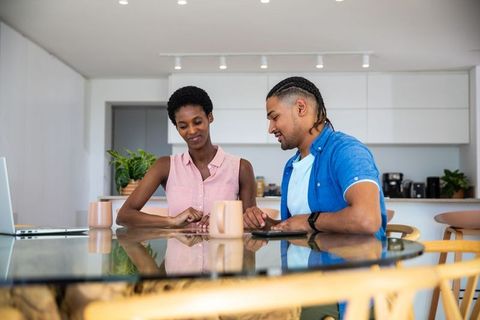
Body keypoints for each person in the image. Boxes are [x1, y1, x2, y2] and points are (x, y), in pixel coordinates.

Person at [244, 76, 386, 238]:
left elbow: (366, 219)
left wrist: (309, 221)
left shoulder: (346, 151)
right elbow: (297, 226)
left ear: (300, 108)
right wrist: (268, 225)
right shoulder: (292, 165)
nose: (270, 129)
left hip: (347, 263)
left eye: (275, 117)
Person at [117, 86, 257, 228]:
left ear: (210, 117)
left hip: (223, 250)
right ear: (177, 128)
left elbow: (251, 224)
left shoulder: (241, 167)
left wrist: (222, 220)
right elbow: (124, 216)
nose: (192, 131)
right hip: (178, 250)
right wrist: (172, 221)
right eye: (183, 126)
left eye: (197, 122)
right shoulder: (165, 166)